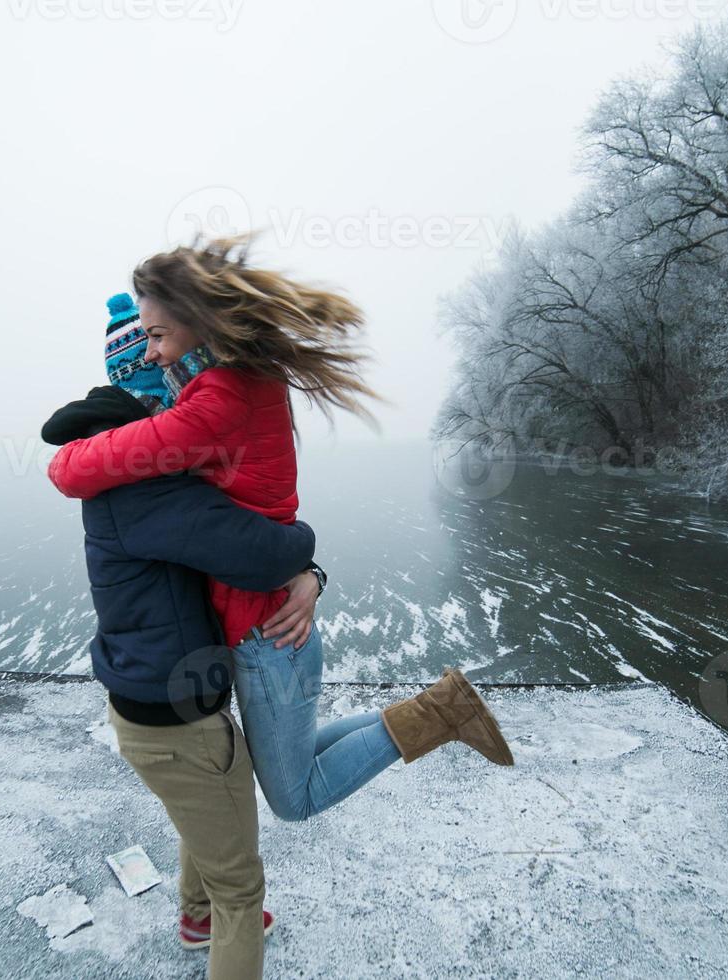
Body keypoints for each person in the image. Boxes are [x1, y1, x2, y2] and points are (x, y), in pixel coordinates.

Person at [48, 238, 514, 839]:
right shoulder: (234, 386)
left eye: (159, 335)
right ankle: (437, 705)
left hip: (264, 634)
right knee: (295, 755)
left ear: (198, 321)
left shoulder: (217, 402)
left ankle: (441, 712)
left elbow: (73, 471)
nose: (154, 351)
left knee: (296, 796)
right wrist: (308, 571)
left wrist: (66, 453)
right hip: (268, 621)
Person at [42, 293, 319, 979]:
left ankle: (196, 920)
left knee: (209, 817)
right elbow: (261, 552)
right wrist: (308, 562)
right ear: (150, 397)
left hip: (158, 700)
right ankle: (215, 923)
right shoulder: (147, 487)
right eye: (171, 385)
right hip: (177, 720)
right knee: (242, 890)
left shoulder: (129, 472)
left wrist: (304, 570)